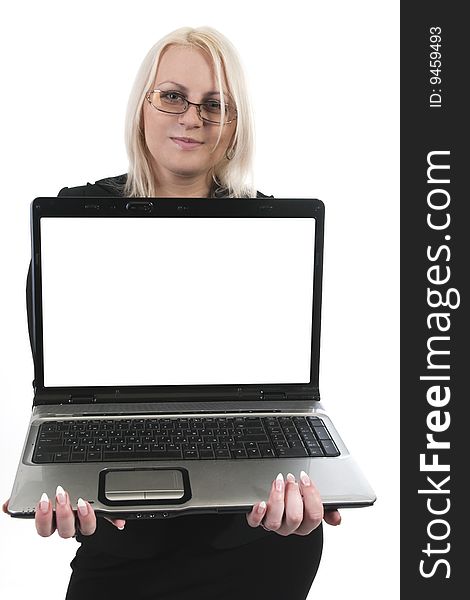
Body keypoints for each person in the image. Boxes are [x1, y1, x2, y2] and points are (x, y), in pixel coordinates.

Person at [3, 26, 341, 600]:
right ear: (143, 106)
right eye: (173, 96)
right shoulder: (77, 215)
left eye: (216, 104)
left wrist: (308, 478)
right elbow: (63, 391)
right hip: (124, 542)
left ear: (235, 124)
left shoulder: (268, 228)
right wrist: (51, 470)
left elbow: (281, 390)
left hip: (259, 539)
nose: (193, 116)